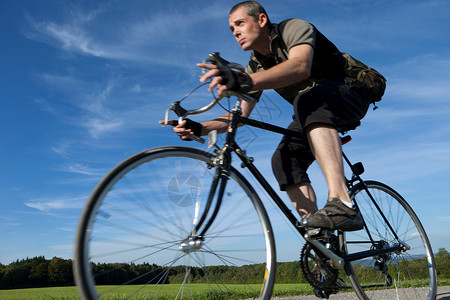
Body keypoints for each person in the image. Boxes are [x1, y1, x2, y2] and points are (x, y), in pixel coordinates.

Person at [161, 1, 373, 231]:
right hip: (313, 108)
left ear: (261, 20)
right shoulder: (256, 65)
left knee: (307, 100)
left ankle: (342, 204)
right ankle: (322, 238)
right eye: (232, 29)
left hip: (351, 90)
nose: (236, 32)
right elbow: (240, 115)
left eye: (240, 23)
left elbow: (301, 65)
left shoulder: (293, 28)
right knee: (283, 159)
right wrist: (201, 128)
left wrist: (244, 81)